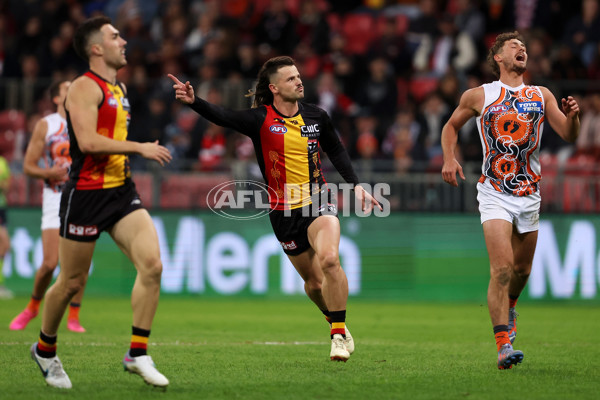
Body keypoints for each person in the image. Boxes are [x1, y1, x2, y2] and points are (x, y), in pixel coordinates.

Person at [169, 56, 382, 362]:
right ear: (275, 88)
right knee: (313, 284)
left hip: (318, 199)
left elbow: (335, 148)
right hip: (283, 212)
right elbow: (224, 116)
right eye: (291, 78)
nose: (299, 81)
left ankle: (336, 335)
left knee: (330, 260)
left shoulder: (317, 117)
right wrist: (195, 102)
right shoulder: (260, 119)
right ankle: (337, 322)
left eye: (299, 76)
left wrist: (356, 184)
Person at [30, 16, 172, 389]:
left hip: (121, 191)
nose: (123, 41)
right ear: (96, 48)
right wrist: (139, 147)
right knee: (72, 282)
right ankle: (45, 350)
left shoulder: (119, 88)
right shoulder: (82, 87)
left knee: (153, 266)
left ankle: (137, 353)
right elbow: (89, 142)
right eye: (115, 36)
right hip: (87, 194)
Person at [441, 31, 580, 370]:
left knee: (522, 269)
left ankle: (511, 305)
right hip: (493, 193)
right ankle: (503, 345)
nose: (522, 49)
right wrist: (449, 157)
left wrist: (574, 116)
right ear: (498, 58)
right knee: (501, 269)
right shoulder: (479, 95)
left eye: (525, 47)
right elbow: (450, 126)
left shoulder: (541, 94)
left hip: (529, 194)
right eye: (514, 46)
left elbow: (568, 134)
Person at [10, 80, 89, 332]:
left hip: (82, 196)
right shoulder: (47, 125)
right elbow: (28, 165)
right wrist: (48, 172)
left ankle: (74, 317)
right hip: (55, 197)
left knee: (80, 264)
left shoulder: (86, 121)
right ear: (56, 98)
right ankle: (32, 307)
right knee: (50, 263)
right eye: (67, 89)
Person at [0, 155, 13, 299]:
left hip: (1, 207)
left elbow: (6, 186)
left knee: (4, 245)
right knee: (4, 243)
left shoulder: (2, 162)